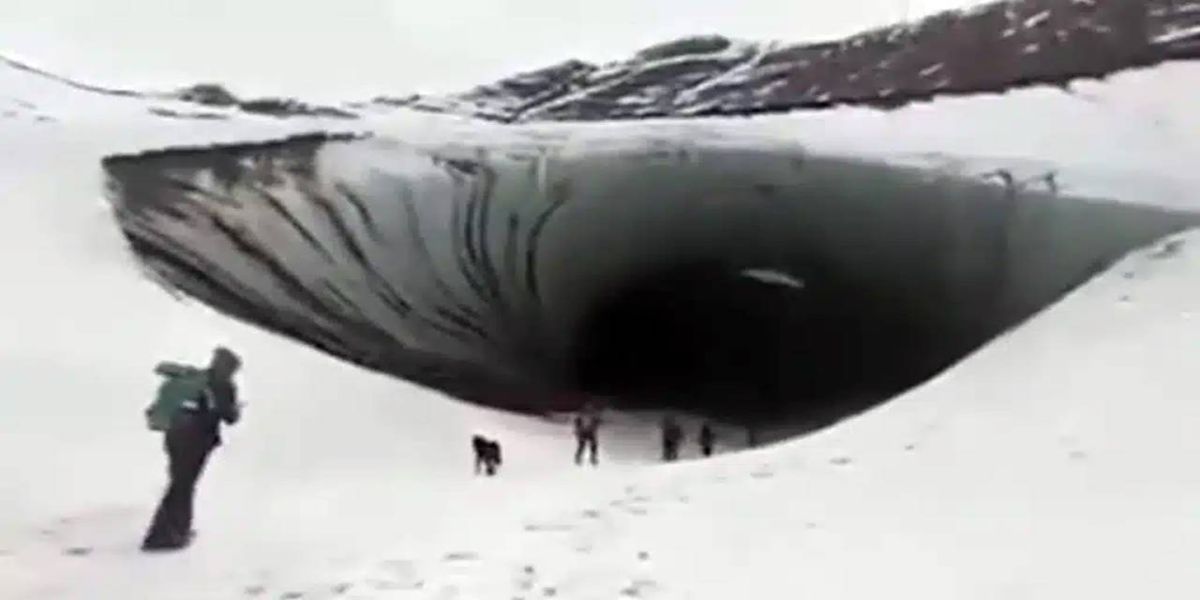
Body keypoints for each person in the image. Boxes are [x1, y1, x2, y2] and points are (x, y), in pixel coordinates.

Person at [141, 347, 242, 552]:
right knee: (183, 486)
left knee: (179, 484)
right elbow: (230, 417)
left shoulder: (195, 378)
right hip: (197, 439)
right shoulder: (223, 385)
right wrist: (235, 409)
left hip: (175, 435)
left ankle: (173, 531)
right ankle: (165, 537)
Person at [573, 401, 601, 466]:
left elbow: (597, 422)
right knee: (582, 445)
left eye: (590, 407)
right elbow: (577, 423)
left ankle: (593, 457)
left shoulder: (593, 414)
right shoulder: (581, 414)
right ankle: (578, 458)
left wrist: (595, 427)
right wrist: (577, 430)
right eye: (587, 407)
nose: (589, 409)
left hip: (590, 432)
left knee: (593, 445)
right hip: (583, 432)